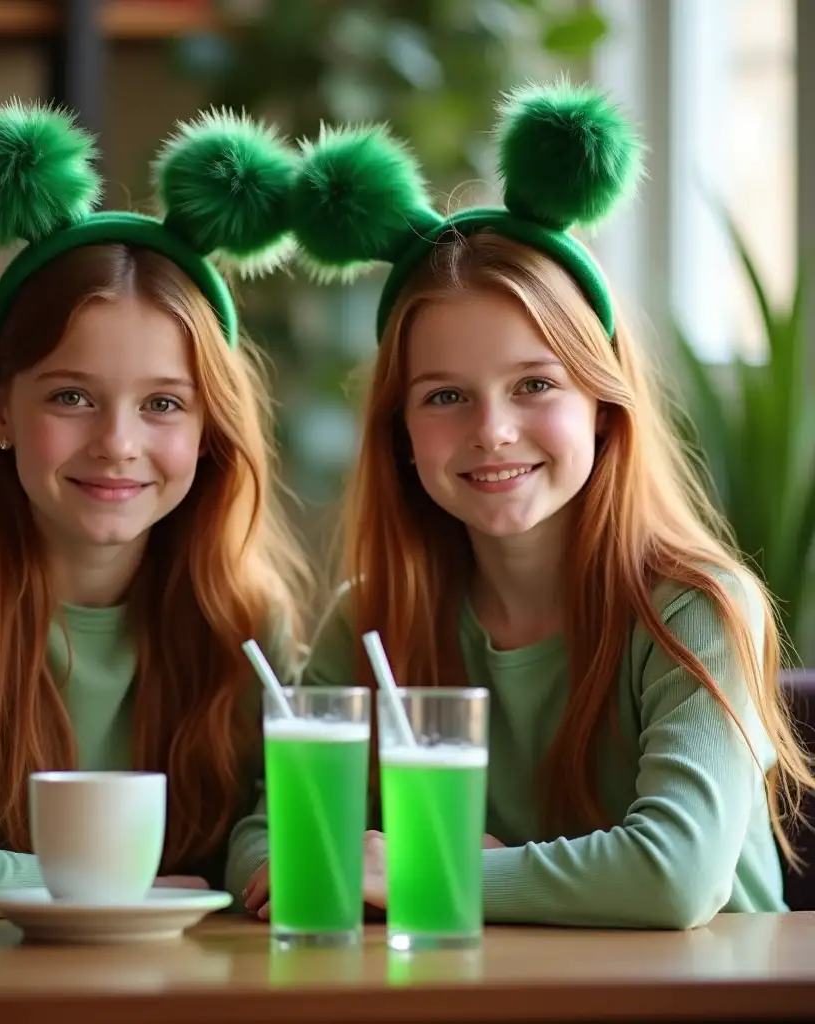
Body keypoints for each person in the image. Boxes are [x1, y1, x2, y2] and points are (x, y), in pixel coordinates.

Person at [236, 78, 815, 928]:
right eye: (444, 396)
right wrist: (324, 861)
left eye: (536, 384)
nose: (494, 431)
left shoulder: (697, 608)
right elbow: (261, 836)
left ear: (603, 405)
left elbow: (675, 876)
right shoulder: (371, 618)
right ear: (399, 429)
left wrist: (429, 873)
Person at [0, 101, 310, 921]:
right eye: (72, 396)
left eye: (163, 404)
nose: (117, 443)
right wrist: (132, 892)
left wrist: (264, 857)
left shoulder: (249, 617)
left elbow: (267, 836)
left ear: (210, 427)